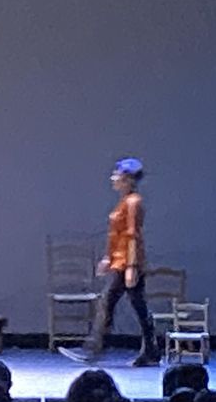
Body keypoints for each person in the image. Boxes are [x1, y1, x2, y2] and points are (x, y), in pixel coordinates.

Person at [60, 157, 159, 367]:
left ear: (127, 179)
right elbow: (117, 235)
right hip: (121, 262)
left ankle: (94, 348)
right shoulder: (124, 202)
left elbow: (132, 236)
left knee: (109, 302)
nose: (112, 177)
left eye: (117, 174)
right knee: (135, 305)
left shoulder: (133, 202)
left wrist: (131, 266)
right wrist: (108, 257)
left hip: (128, 264)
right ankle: (150, 350)